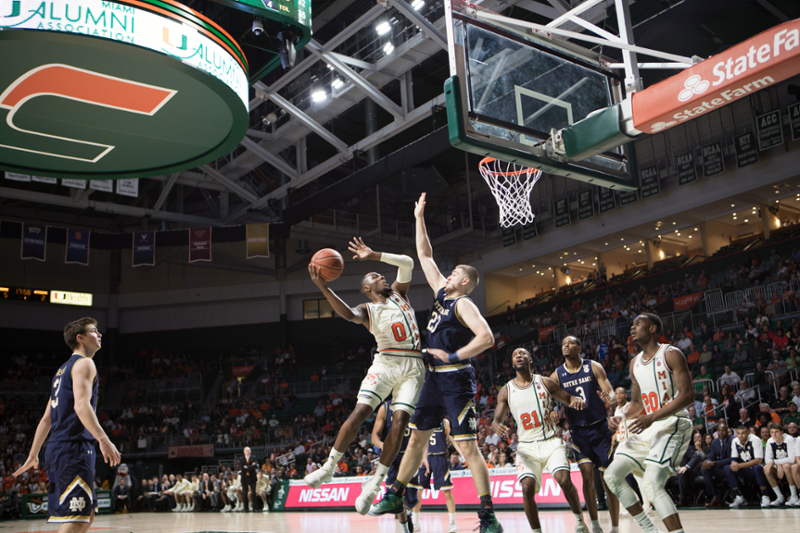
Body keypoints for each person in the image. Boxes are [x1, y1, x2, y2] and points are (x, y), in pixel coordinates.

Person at [370, 193, 498, 533]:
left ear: (465, 281)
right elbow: (424, 254)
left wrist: (454, 355)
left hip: (456, 380)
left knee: (468, 447)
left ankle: (488, 516)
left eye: (455, 272)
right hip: (433, 379)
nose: (449, 272)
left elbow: (487, 338)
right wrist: (419, 218)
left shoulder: (464, 304)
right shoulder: (442, 292)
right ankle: (396, 493)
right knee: (415, 439)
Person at [304, 237, 425, 516]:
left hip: (413, 366)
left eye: (381, 274)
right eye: (375, 276)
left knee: (400, 422)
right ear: (367, 288)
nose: (382, 275)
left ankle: (374, 485)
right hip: (385, 362)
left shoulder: (399, 293)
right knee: (359, 413)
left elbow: (407, 262)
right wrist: (323, 287)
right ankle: (328, 468)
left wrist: (373, 256)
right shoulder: (367, 310)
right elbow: (347, 314)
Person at [13, 317, 121, 529]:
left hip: (59, 447)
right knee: (77, 521)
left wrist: (34, 454)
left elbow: (46, 419)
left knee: (86, 514)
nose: (99, 334)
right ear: (80, 338)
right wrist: (103, 439)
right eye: (94, 330)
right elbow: (81, 406)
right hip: (73, 447)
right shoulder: (85, 364)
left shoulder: (61, 371)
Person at [604, 313, 693, 533]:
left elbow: (688, 395)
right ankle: (649, 529)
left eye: (638, 324)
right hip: (647, 426)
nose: (632, 328)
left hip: (673, 423)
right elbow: (636, 403)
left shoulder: (671, 354)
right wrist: (621, 416)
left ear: (653, 328)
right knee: (611, 476)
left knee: (652, 484)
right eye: (632, 325)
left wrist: (652, 416)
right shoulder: (634, 362)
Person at [492, 348, 588, 533]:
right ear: (512, 364)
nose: (518, 356)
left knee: (564, 480)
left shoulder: (545, 382)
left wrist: (576, 400)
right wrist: (496, 424)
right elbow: (497, 418)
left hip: (551, 441)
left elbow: (568, 399)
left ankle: (580, 523)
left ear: (530, 359)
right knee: (527, 488)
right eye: (515, 355)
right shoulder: (506, 390)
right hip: (527, 447)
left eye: (522, 353)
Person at [553, 337, 619, 533]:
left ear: (579, 348)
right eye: (563, 343)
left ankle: (615, 527)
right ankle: (596, 525)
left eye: (570, 343)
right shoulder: (557, 374)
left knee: (609, 479)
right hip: (578, 432)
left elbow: (611, 393)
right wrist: (552, 410)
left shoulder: (593, 366)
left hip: (601, 429)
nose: (565, 345)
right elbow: (546, 396)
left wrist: (610, 399)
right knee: (587, 476)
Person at [407, 419, 462, 533]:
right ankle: (416, 523)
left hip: (440, 458)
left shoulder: (445, 422)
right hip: (424, 458)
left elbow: (452, 438)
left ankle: (452, 523)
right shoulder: (423, 420)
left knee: (447, 492)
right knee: (418, 491)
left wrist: (463, 454)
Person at [724, 426, 772, 508]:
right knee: (727, 468)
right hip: (744, 469)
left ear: (748, 433)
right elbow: (733, 458)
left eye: (743, 433)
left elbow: (759, 460)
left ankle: (765, 496)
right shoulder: (735, 441)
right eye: (738, 433)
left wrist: (739, 465)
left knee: (757, 467)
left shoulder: (755, 440)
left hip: (756, 469)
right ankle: (739, 497)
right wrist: (734, 464)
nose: (740, 436)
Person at [764, 422, 798, 506]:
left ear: (782, 432)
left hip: (790, 467)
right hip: (778, 467)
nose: (774, 434)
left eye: (776, 432)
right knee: (766, 468)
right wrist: (778, 465)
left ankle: (794, 496)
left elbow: (792, 459)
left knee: (786, 466)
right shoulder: (770, 441)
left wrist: (775, 462)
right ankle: (779, 497)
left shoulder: (788, 439)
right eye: (772, 432)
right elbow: (767, 460)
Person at [241, 446, 259, 511]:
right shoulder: (242, 459)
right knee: (244, 493)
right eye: (246, 450)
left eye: (248, 450)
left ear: (250, 451)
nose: (247, 452)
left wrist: (247, 467)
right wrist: (250, 467)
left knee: (253, 492)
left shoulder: (254, 457)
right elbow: (242, 468)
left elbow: (255, 466)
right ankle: (246, 508)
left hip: (252, 477)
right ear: (244, 452)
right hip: (244, 478)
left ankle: (255, 507)